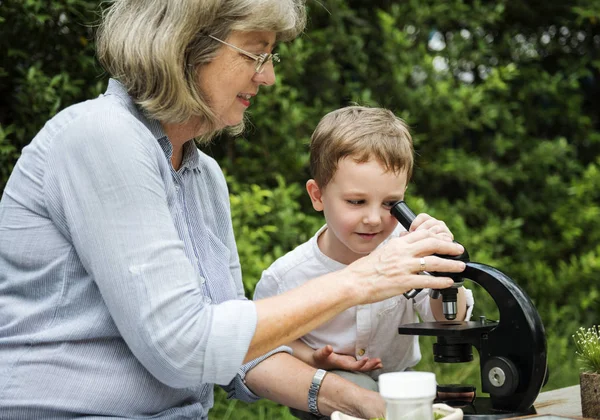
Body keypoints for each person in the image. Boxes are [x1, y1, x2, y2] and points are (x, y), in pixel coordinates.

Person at [0, 2, 467, 419]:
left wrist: (361, 402)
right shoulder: (102, 137)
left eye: (270, 56)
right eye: (255, 53)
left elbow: (234, 354)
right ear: (185, 46)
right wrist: (361, 280)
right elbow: (183, 346)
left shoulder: (203, 178)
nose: (269, 76)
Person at [254, 106, 475, 410]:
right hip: (330, 395)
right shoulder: (287, 276)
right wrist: (310, 357)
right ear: (317, 195)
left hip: (399, 384)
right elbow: (262, 342)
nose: (373, 218)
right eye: (356, 201)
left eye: (390, 203)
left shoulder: (410, 254)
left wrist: (443, 267)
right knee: (357, 384)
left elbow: (450, 317)